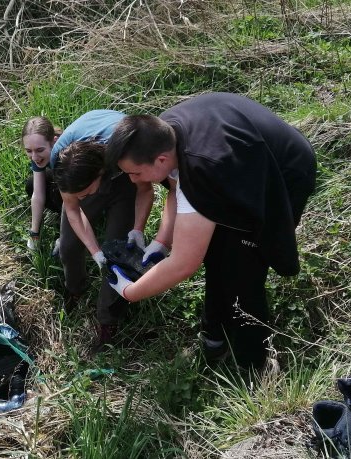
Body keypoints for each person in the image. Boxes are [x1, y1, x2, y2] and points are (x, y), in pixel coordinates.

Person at [103, 93, 317, 372]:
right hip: (240, 157)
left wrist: (130, 291)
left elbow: (184, 264)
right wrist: (161, 241)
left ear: (161, 159)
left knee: (243, 271)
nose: (133, 181)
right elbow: (176, 187)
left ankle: (256, 365)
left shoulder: (201, 168)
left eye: (134, 174)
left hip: (284, 169)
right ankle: (215, 337)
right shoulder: (161, 134)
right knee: (217, 253)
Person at [39, 110, 153, 351]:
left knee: (118, 254)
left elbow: (144, 189)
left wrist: (138, 230)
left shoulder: (128, 152)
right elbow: (72, 209)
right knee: (68, 247)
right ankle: (75, 289)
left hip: (123, 181)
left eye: (87, 193)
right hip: (88, 171)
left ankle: (107, 320)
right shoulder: (62, 160)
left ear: (101, 174)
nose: (83, 198)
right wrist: (94, 252)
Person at [21, 117, 63, 252]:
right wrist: (34, 234)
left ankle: (69, 227)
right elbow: (37, 193)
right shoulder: (37, 156)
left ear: (54, 142)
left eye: (39, 150)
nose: (34, 157)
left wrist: (65, 237)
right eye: (28, 151)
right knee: (31, 184)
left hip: (87, 196)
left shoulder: (66, 154)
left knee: (58, 189)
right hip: (65, 191)